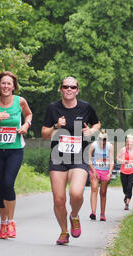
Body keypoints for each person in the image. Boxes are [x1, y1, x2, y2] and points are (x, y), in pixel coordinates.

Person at [41, 76, 101, 245]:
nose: (69, 89)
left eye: (72, 87)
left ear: (77, 90)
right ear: (60, 89)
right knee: (59, 199)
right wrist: (56, 127)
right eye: (66, 86)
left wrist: (91, 131)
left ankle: (74, 215)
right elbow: (44, 134)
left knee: (76, 193)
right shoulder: (53, 108)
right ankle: (64, 231)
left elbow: (97, 124)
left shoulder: (85, 107)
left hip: (79, 156)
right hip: (58, 158)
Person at [0, 71, 33, 239]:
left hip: (15, 150)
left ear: (14, 87)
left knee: (8, 184)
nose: (6, 86)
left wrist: (26, 125)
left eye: (9, 84)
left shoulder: (20, 101)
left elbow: (29, 114)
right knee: (0, 188)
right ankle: (3, 224)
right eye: (3, 83)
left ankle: (11, 222)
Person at [88, 130, 114, 222]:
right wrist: (93, 171)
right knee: (94, 188)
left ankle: (102, 214)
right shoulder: (93, 145)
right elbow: (89, 159)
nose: (102, 142)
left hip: (105, 171)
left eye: (104, 140)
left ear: (106, 140)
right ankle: (93, 212)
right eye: (100, 140)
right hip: (95, 170)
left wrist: (110, 172)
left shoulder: (109, 146)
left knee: (103, 192)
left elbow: (111, 161)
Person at [117, 135, 133, 211]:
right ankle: (126, 196)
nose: (130, 145)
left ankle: (127, 204)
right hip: (123, 171)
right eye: (128, 143)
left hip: (132, 171)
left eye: (131, 144)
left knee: (130, 187)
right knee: (125, 188)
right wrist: (123, 161)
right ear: (126, 143)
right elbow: (118, 158)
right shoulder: (123, 150)